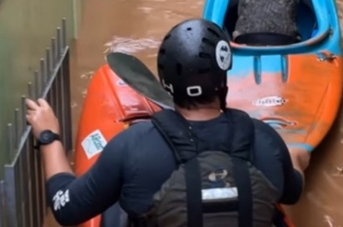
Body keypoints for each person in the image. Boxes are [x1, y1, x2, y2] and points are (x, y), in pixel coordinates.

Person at [26, 18, 311, 227]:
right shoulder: (265, 141)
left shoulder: (131, 146)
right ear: (223, 78)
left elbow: (66, 208)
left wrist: (49, 137)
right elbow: (292, 192)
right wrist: (296, 156)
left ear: (166, 82)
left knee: (115, 205)